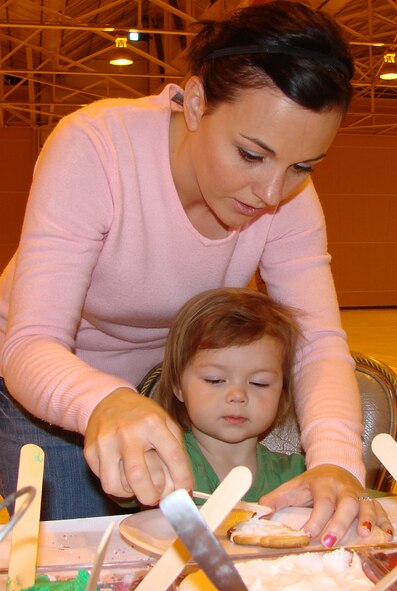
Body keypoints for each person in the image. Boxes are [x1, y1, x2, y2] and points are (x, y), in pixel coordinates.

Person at [0, 0, 392, 542]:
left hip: (176, 388)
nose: (273, 193)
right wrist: (103, 400)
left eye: (303, 166)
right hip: (55, 383)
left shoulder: (286, 200)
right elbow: (31, 343)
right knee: (86, 547)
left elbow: (319, 341)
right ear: (197, 102)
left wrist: (334, 462)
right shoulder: (98, 147)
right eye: (252, 154)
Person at [154, 287, 307, 502]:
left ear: (282, 394)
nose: (238, 395)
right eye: (215, 380)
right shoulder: (160, 462)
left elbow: (357, 496)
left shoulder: (297, 476)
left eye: (259, 383)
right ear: (177, 385)